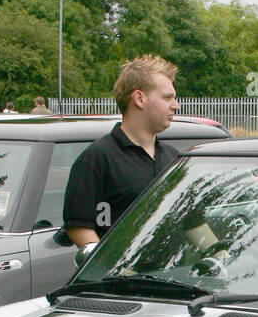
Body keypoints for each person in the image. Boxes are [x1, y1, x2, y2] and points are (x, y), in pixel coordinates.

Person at [62, 54, 181, 247]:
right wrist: (105, 270)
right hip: (123, 277)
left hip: (170, 275)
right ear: (139, 98)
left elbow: (193, 223)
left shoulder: (174, 158)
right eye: (167, 97)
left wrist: (218, 257)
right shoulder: (96, 159)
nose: (176, 105)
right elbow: (79, 226)